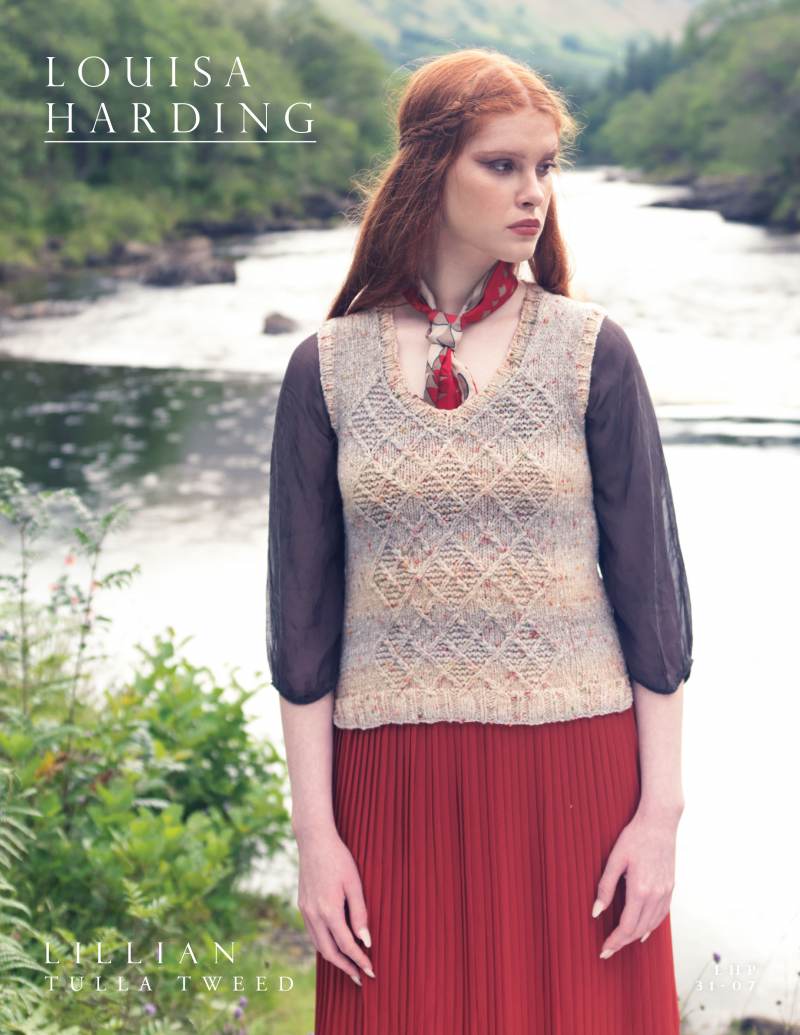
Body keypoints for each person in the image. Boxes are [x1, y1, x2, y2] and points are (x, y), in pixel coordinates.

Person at [266, 47, 693, 1035]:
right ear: (428, 169)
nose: (532, 191)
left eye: (544, 166)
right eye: (501, 165)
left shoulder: (591, 352)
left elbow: (652, 606)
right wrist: (316, 836)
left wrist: (659, 813)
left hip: (576, 783)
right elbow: (302, 630)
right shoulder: (324, 369)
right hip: (391, 795)